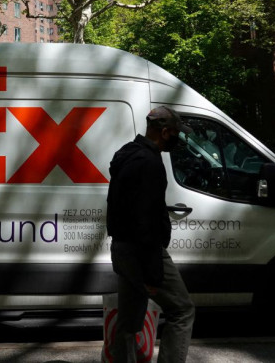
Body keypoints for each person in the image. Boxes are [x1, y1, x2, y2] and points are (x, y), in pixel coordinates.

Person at [105, 106, 195, 363]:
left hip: (123, 249)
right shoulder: (149, 163)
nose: (178, 138)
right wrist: (152, 270)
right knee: (182, 311)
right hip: (142, 251)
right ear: (165, 132)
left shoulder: (128, 154)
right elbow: (143, 220)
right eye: (176, 133)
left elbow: (118, 208)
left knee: (129, 320)